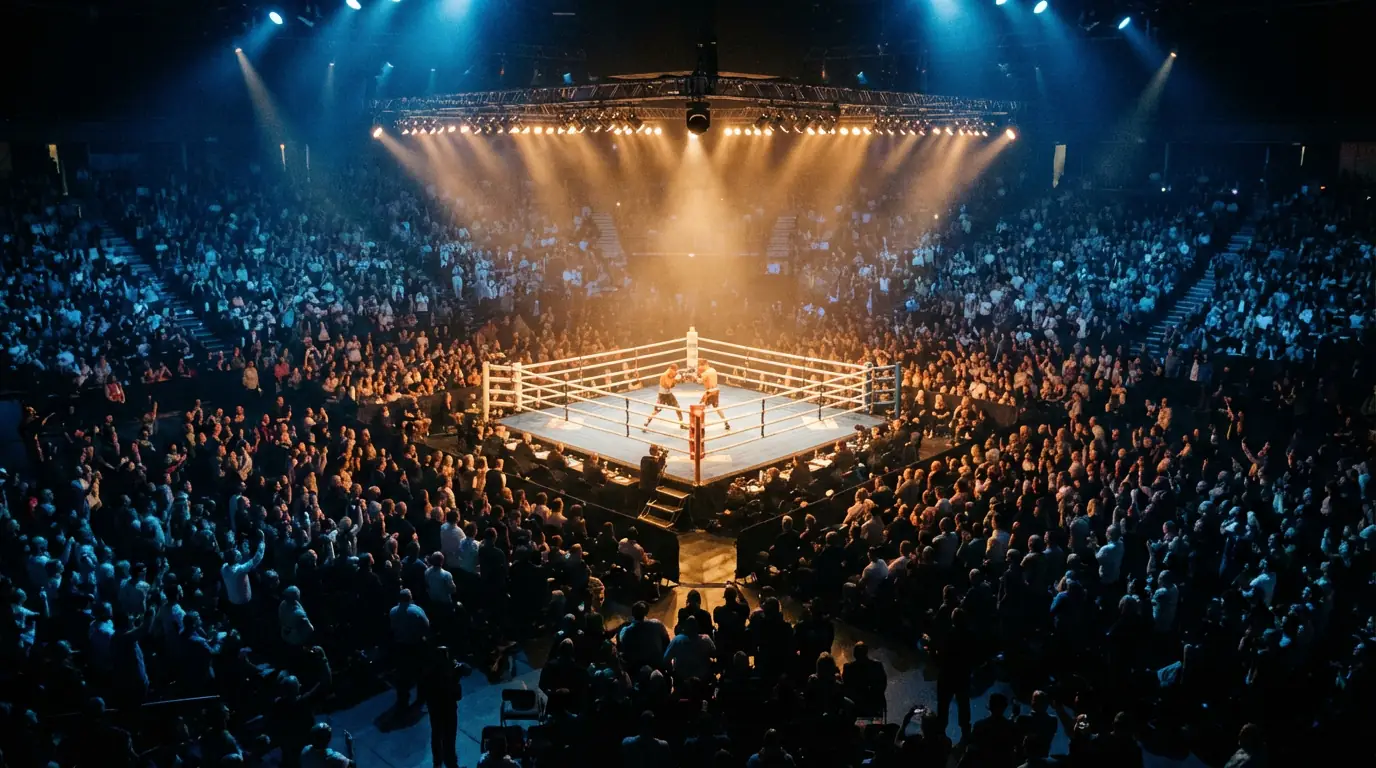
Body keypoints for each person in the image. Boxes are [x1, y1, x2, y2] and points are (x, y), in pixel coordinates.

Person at [417, 646, 472, 768]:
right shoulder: (449, 669)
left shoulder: (429, 671)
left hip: (435, 706)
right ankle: (450, 761)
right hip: (447, 705)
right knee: (449, 735)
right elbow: (468, 670)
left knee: (437, 734)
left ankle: (438, 762)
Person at [644, 363, 687, 431]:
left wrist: (679, 379)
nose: (675, 372)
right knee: (656, 410)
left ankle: (681, 424)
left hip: (669, 394)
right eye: (675, 370)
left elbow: (673, 385)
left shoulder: (672, 374)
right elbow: (669, 386)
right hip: (662, 395)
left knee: (678, 407)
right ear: (671, 369)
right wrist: (676, 380)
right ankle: (646, 423)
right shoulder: (665, 375)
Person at [697, 359, 732, 431]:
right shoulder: (713, 370)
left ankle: (700, 426)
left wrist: (695, 377)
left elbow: (699, 381)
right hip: (716, 390)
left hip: (710, 392)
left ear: (703, 365)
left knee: (700, 407)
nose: (699, 367)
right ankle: (726, 422)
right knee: (717, 407)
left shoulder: (705, 373)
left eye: (700, 366)